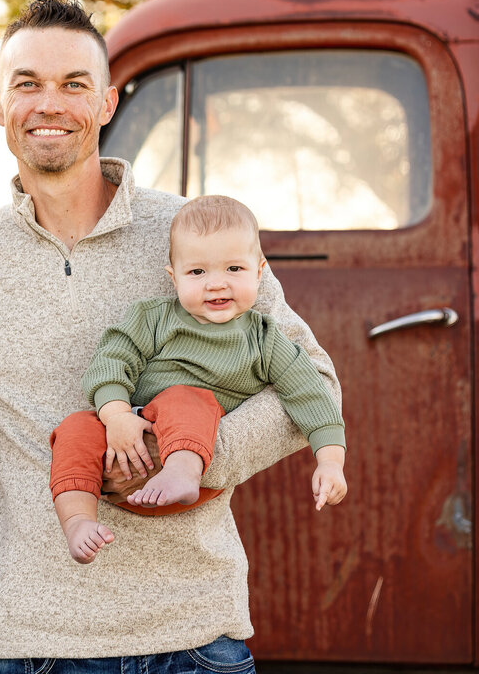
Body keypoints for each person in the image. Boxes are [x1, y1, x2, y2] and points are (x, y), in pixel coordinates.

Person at [0, 0, 341, 670]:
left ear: (109, 103)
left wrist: (192, 458)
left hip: (194, 636)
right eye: (28, 83)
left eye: (74, 84)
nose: (50, 103)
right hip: (40, 645)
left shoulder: (196, 236)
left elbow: (313, 382)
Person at [49, 194, 348, 564]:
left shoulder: (265, 339)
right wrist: (116, 416)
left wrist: (331, 461)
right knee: (74, 428)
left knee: (186, 397)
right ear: (173, 277)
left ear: (259, 272)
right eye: (198, 272)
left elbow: (312, 394)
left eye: (234, 269)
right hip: (129, 437)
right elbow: (111, 360)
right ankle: (78, 519)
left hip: (196, 467)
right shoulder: (154, 318)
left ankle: (179, 471)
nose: (216, 284)